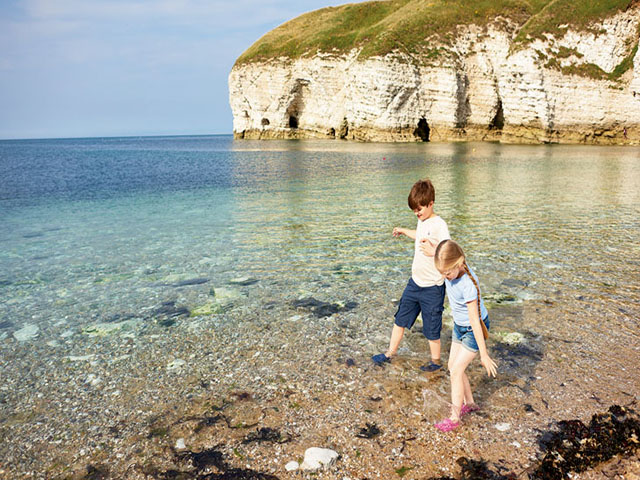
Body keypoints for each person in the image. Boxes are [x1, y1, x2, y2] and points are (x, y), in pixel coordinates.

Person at [372, 179, 450, 372]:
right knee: (400, 319)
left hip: (433, 287)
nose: (417, 213)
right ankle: (390, 353)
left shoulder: (440, 225)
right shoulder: (422, 220)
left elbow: (449, 251)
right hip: (414, 283)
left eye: (420, 209)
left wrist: (434, 252)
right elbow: (419, 234)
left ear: (431, 203)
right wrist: (402, 230)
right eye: (414, 210)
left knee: (432, 329)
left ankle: (436, 362)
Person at [432, 239, 497, 432]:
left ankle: (454, 418)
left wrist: (484, 355)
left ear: (459, 264)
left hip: (473, 329)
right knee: (453, 367)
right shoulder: (452, 267)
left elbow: (475, 321)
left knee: (456, 371)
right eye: (442, 273)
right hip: (459, 327)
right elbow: (445, 249)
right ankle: (469, 403)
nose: (445, 277)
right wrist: (430, 248)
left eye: (447, 273)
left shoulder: (467, 285)